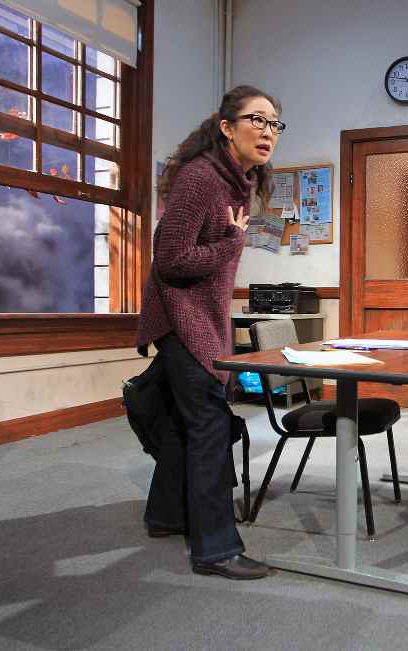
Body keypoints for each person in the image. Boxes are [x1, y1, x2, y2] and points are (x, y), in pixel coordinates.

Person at [136, 85, 286, 580]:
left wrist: (228, 243)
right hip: (183, 320)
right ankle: (216, 550)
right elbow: (171, 259)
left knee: (186, 423)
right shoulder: (202, 179)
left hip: (198, 317)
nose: (268, 132)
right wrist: (233, 242)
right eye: (257, 120)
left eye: (275, 124)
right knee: (210, 427)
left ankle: (165, 516)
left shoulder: (233, 182)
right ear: (226, 126)